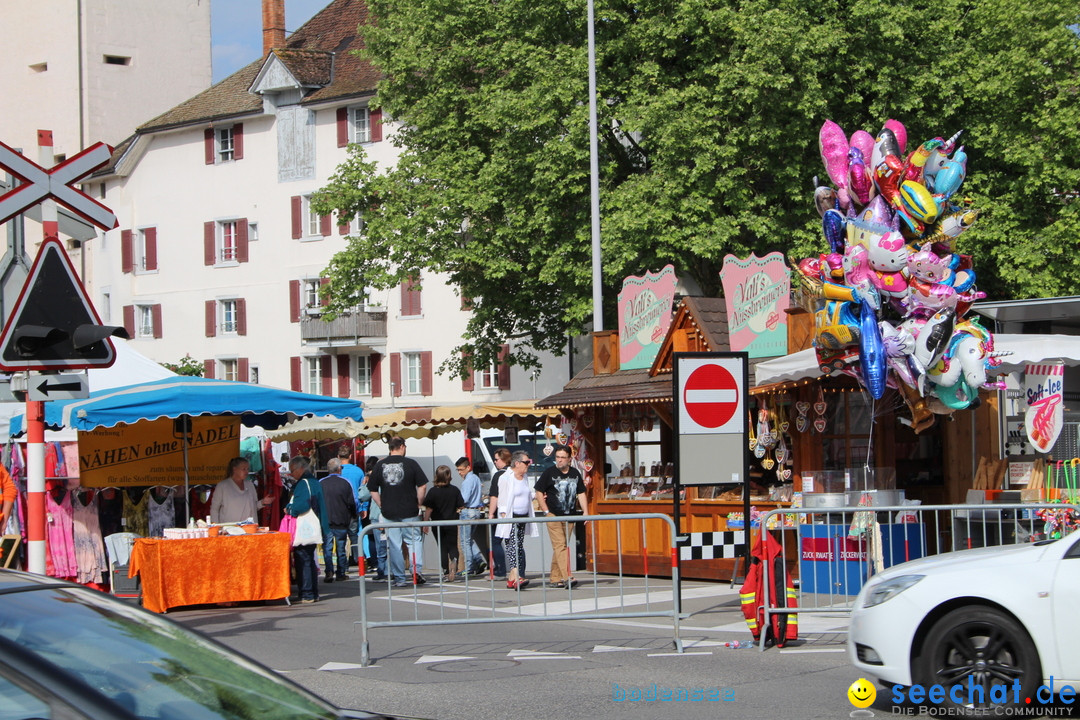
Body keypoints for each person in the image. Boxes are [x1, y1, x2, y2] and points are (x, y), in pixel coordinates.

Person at [367, 437, 429, 588]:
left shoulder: (380, 465)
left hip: (389, 511)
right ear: (402, 447)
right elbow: (423, 486)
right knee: (414, 541)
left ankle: (400, 578)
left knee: (394, 544)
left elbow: (372, 489)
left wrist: (381, 503)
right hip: (410, 510)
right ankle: (416, 571)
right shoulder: (411, 464)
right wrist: (418, 502)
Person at [533, 445, 588, 588]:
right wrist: (545, 511)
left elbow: (581, 493)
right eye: (557, 457)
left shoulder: (575, 473)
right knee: (560, 546)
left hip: (569, 515)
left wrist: (586, 512)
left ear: (569, 459)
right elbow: (538, 491)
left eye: (563, 457)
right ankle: (567, 576)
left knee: (561, 547)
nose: (560, 460)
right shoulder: (549, 472)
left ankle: (554, 578)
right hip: (553, 514)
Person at [285, 456, 329, 603]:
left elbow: (301, 506)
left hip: (304, 528)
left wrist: (289, 509)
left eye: (292, 471)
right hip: (315, 525)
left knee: (303, 560)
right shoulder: (315, 482)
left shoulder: (303, 484)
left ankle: (307, 593)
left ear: (301, 468)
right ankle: (313, 593)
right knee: (309, 560)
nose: (291, 474)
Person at [494, 450, 538, 590]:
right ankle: (515, 574)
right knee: (511, 545)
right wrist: (503, 516)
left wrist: (535, 495)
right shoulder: (506, 477)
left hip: (523, 516)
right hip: (510, 517)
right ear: (517, 463)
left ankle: (512, 578)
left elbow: (525, 494)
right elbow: (502, 499)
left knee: (518, 546)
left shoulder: (524, 477)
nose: (528, 465)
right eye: (526, 462)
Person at [422, 465, 465, 582]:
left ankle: (446, 571)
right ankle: (454, 560)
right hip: (452, 521)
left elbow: (429, 509)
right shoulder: (454, 490)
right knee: (452, 546)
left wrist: (425, 523)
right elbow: (461, 505)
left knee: (442, 547)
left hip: (438, 523)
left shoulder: (433, 491)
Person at [320, 458, 358, 583]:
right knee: (341, 549)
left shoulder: (321, 483)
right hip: (342, 520)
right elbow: (352, 502)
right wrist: (353, 515)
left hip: (326, 521)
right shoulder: (345, 483)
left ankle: (329, 571)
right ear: (339, 469)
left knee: (327, 548)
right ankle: (341, 572)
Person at [210, 457, 270, 524]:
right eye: (243, 469)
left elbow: (253, 507)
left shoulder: (250, 485)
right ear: (234, 469)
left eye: (248, 469)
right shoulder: (222, 486)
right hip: (229, 529)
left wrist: (263, 502)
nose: (247, 472)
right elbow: (214, 509)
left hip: (249, 529)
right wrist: (215, 527)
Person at [455, 457, 488, 576]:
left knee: (464, 541)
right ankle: (478, 561)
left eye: (461, 469)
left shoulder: (468, 480)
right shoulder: (476, 478)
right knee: (469, 539)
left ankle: (469, 567)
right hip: (476, 511)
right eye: (458, 470)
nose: (459, 472)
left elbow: (464, 499)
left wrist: (458, 504)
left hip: (468, 511)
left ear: (468, 467)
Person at [336, 445, 365, 567]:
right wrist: (364, 508)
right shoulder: (358, 471)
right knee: (354, 536)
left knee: (340, 538)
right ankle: (358, 560)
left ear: (338, 457)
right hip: (354, 507)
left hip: (339, 509)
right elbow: (363, 491)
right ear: (351, 456)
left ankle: (342, 565)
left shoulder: (336, 471)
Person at [485, 448, 511, 579]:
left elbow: (494, 496)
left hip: (500, 512)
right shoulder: (513, 473)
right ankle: (516, 569)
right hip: (512, 512)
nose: (495, 462)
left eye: (496, 459)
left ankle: (501, 568)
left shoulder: (498, 475)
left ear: (504, 459)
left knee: (496, 541)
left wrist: (490, 513)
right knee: (512, 542)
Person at [364, 456, 387, 580]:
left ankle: (382, 570)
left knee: (380, 545)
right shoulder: (390, 479)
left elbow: (363, 495)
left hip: (377, 514)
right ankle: (390, 570)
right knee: (390, 544)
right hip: (390, 514)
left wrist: (364, 483)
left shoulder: (375, 478)